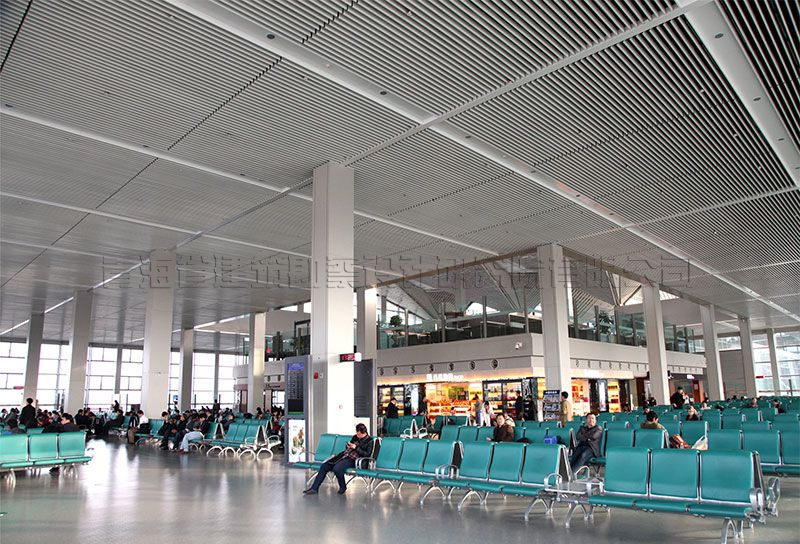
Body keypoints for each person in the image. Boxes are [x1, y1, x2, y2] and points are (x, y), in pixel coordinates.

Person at [304, 423, 372, 495]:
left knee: (337, 468)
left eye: (358, 433)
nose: (357, 434)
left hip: (355, 460)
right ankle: (314, 488)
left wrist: (356, 448)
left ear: (363, 432)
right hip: (344, 455)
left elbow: (367, 454)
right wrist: (348, 446)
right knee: (324, 466)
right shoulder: (355, 437)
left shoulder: (369, 441)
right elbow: (348, 448)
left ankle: (342, 487)